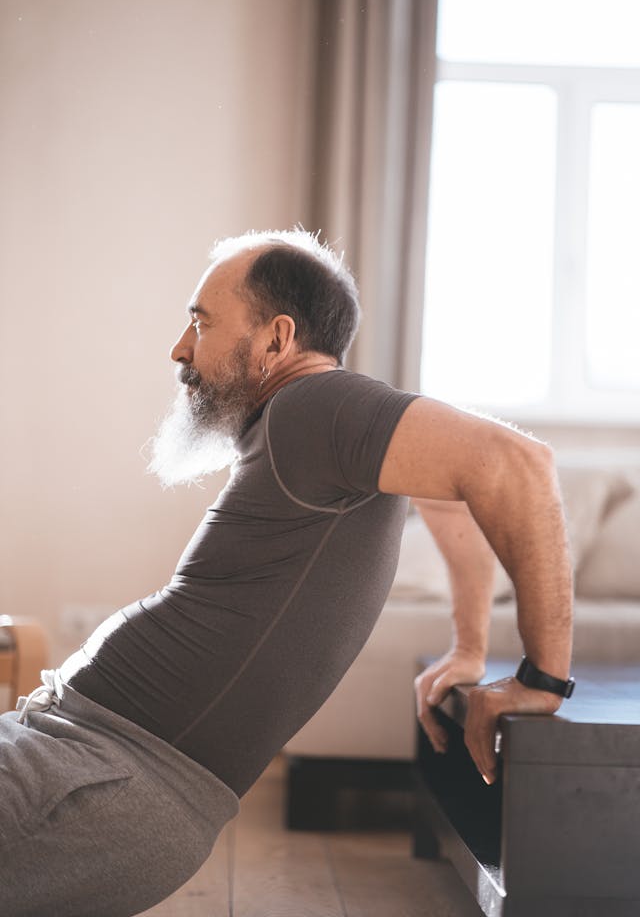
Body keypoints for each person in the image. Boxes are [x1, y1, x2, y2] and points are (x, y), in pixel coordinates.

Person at [0, 229, 573, 916]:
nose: (180, 349)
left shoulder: (313, 406)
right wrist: (469, 646)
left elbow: (517, 465)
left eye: (200, 323)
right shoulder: (315, 427)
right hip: (76, 759)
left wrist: (543, 679)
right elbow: (451, 499)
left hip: (94, 776)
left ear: (276, 340)